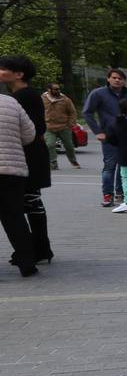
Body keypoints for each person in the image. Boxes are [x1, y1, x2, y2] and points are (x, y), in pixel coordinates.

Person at [0, 56, 51, 265]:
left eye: (3, 69)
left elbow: (36, 129)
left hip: (28, 156)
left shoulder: (24, 96)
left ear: (19, 74)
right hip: (25, 155)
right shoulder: (22, 95)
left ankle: (37, 249)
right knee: (30, 203)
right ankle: (37, 248)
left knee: (28, 203)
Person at [0, 87, 37, 276]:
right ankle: (26, 262)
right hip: (12, 170)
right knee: (14, 216)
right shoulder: (11, 102)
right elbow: (29, 134)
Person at [83, 69, 127, 206]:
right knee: (110, 166)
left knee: (124, 166)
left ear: (124, 81)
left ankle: (121, 193)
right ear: (108, 79)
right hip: (109, 135)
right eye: (114, 77)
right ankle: (108, 195)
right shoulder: (98, 93)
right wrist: (97, 131)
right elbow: (87, 113)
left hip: (125, 136)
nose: (117, 80)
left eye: (120, 78)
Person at [42, 82, 80, 169]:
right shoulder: (42, 99)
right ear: (49, 90)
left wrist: (70, 124)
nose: (58, 91)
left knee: (69, 145)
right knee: (50, 145)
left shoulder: (65, 100)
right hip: (49, 127)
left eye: (59, 89)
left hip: (64, 126)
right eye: (55, 89)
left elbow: (72, 112)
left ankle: (73, 161)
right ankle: (53, 163)